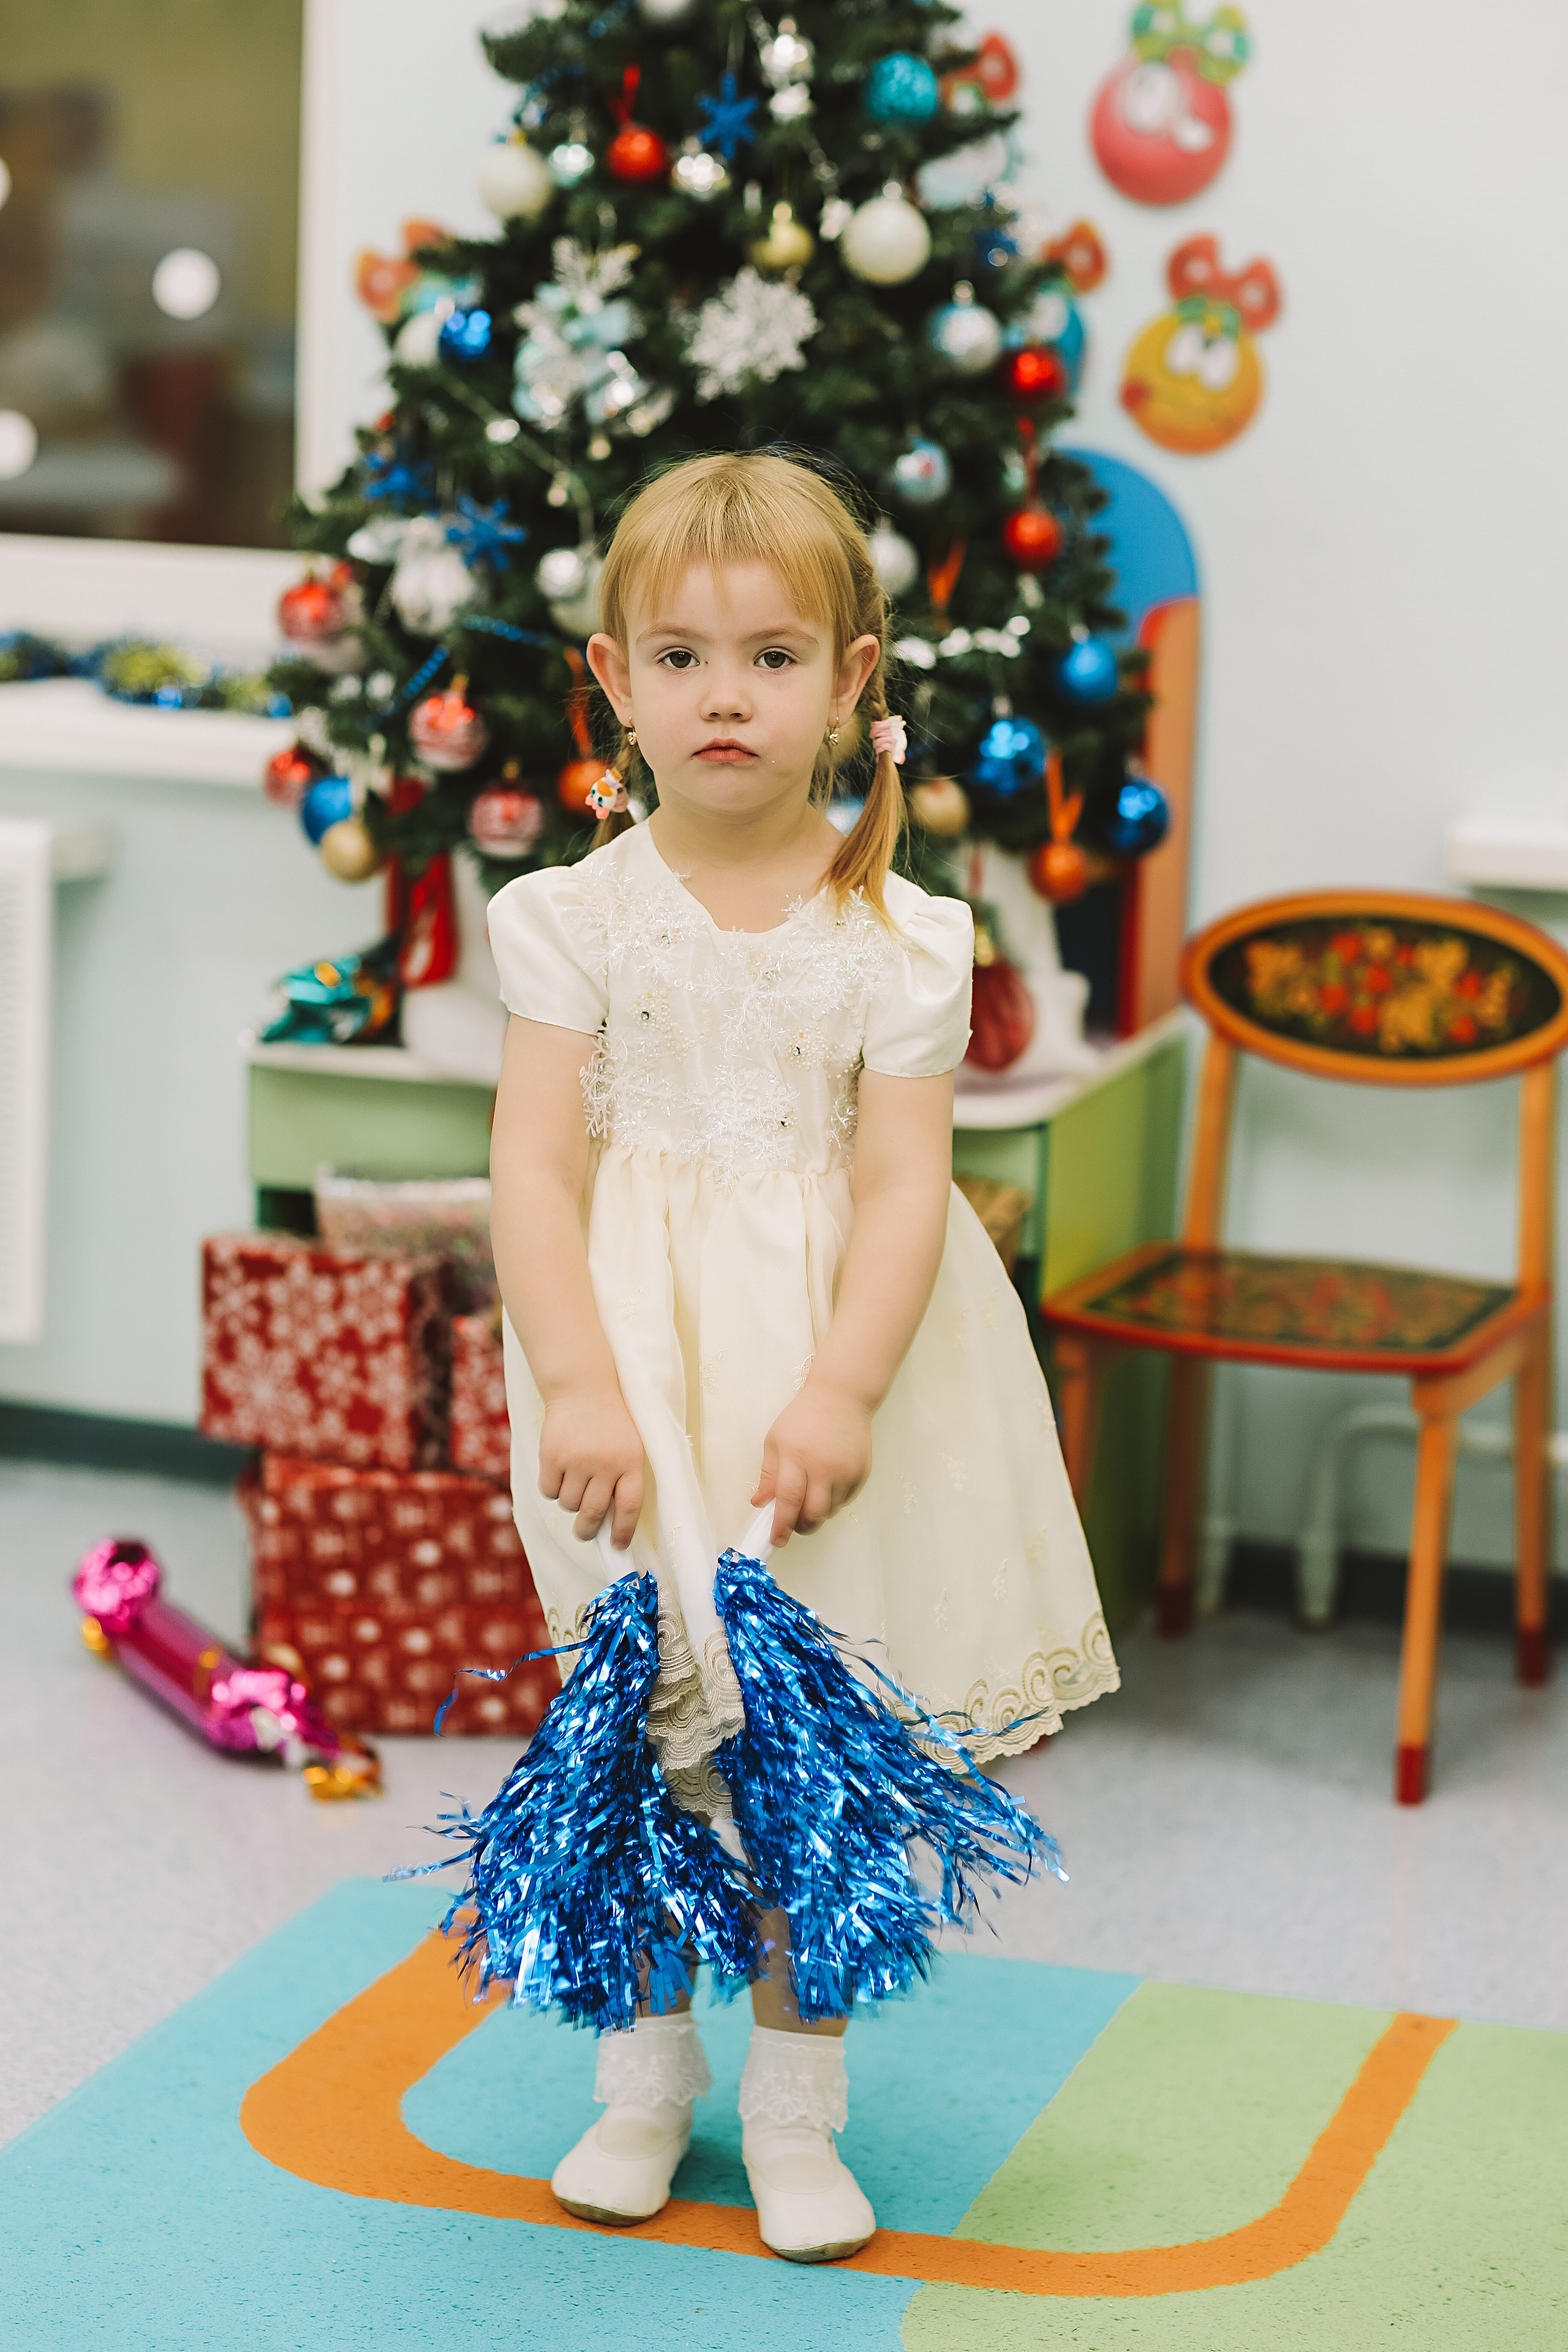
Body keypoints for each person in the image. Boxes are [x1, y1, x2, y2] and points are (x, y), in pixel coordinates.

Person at [485, 451, 1118, 2264]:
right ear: (613, 683)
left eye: (771, 656)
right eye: (678, 658)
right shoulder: (574, 920)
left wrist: (842, 1388)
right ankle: (639, 2076)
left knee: (799, 1752)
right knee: (643, 1728)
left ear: (853, 683)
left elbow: (914, 1186)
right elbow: (531, 1168)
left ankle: (795, 2100)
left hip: (823, 1393)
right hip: (633, 1380)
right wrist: (585, 1383)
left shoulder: (902, 934)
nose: (724, 695)